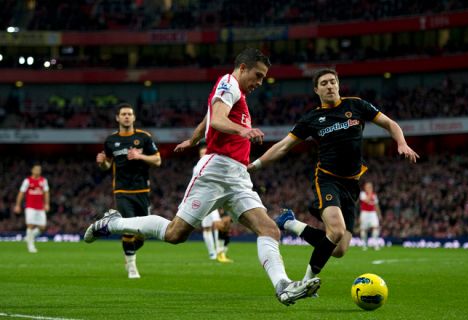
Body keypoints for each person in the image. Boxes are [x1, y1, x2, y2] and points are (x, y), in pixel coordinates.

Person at [85, 48, 320, 305]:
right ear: (242, 68)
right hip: (216, 171)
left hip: (238, 175)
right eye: (258, 75)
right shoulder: (228, 83)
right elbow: (218, 119)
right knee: (175, 234)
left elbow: (210, 116)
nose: (260, 83)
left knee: (269, 229)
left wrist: (194, 138)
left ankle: (282, 286)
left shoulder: (234, 91)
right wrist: (244, 130)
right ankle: (111, 223)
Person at [248, 68, 419, 285]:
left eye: (332, 82)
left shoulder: (356, 105)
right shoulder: (311, 119)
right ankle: (305, 282)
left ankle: (290, 223)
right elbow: (283, 147)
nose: (329, 86)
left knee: (339, 249)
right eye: (324, 83)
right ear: (316, 90)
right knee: (336, 231)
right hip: (327, 180)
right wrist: (255, 165)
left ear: (338, 84)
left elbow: (390, 124)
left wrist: (401, 143)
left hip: (352, 184)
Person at [95, 103, 161, 279]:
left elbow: (157, 160)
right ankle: (132, 267)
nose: (126, 116)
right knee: (128, 228)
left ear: (134, 117)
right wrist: (102, 162)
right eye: (123, 114)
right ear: (117, 117)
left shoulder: (144, 137)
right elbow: (107, 165)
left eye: (129, 114)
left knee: (143, 234)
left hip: (142, 190)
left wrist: (140, 156)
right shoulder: (110, 140)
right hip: (122, 190)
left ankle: (128, 254)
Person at [14, 164, 50, 253]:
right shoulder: (27, 181)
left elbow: (46, 193)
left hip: (40, 207)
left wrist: (47, 204)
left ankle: (28, 237)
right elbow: (21, 193)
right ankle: (31, 246)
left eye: (39, 169)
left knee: (42, 227)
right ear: (32, 170)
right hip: (30, 207)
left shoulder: (43, 181)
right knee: (30, 225)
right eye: (36, 169)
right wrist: (18, 205)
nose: (38, 171)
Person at [359, 181, 381, 250]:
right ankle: (364, 245)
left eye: (370, 187)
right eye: (367, 187)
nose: (369, 188)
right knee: (364, 229)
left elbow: (376, 205)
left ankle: (375, 244)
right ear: (365, 187)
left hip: (372, 213)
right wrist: (370, 193)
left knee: (375, 227)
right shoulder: (362, 194)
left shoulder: (374, 195)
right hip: (364, 213)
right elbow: (366, 201)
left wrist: (379, 214)